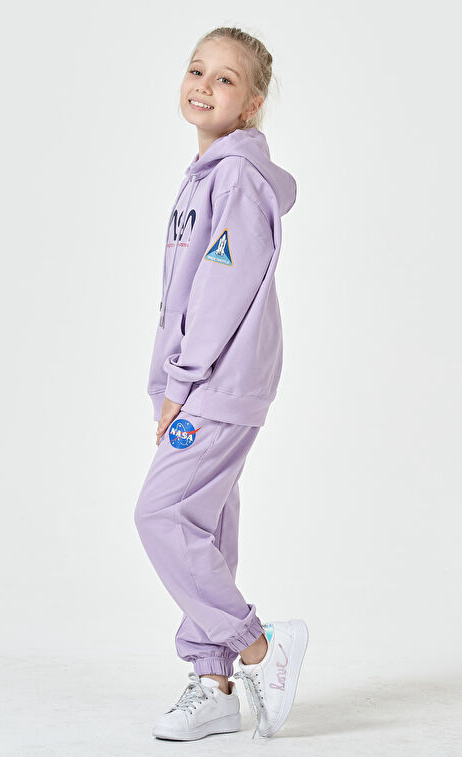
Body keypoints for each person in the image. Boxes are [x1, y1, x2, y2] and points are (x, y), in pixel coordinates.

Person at [134, 26, 308, 741]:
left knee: (162, 516)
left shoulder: (235, 177)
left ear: (252, 104)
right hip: (204, 380)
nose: (204, 85)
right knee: (201, 523)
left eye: (225, 79)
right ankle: (213, 682)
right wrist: (165, 382)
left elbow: (218, 292)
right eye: (196, 69)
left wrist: (182, 380)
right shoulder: (205, 174)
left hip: (218, 379)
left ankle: (259, 647)